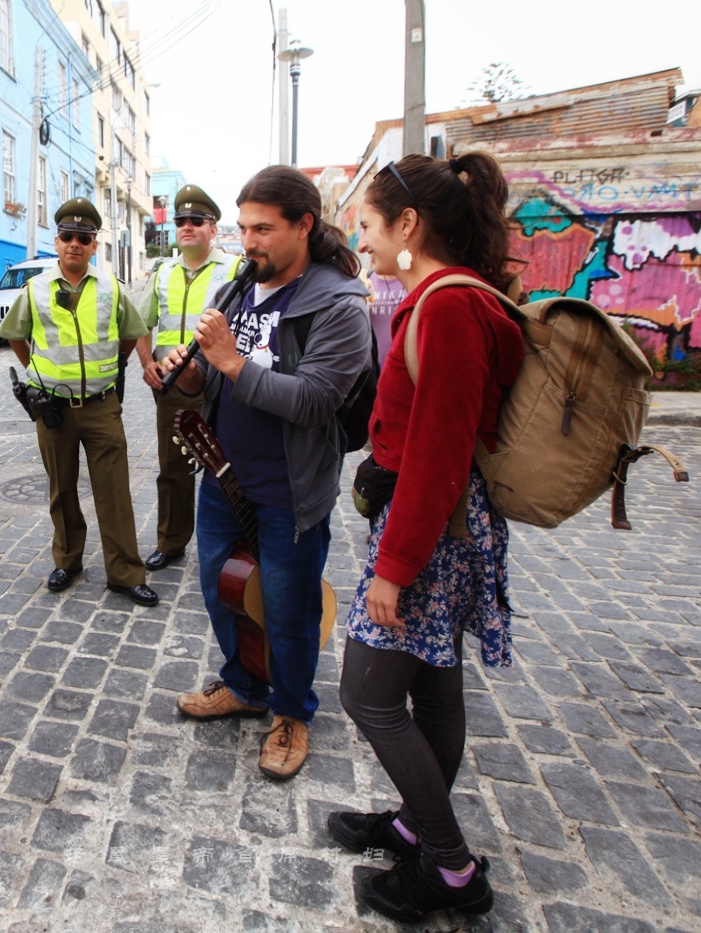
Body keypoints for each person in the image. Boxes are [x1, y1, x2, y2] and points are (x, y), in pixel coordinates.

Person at [330, 151, 525, 922]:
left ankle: (450, 869)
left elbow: (441, 450)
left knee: (367, 693)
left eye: (370, 225)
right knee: (435, 681)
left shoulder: (445, 306)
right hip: (442, 519)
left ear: (409, 224)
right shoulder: (455, 298)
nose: (364, 242)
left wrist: (396, 567)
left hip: (431, 530)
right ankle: (418, 823)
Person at [162, 167, 372, 780]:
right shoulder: (238, 287)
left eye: (264, 228)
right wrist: (195, 371)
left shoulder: (338, 304)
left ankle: (291, 711)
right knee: (221, 590)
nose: (249, 242)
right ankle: (245, 684)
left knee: (288, 607)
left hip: (289, 488)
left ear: (304, 226)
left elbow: (313, 401)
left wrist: (229, 361)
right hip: (225, 476)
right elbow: (213, 379)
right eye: (244, 227)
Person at [0, 198, 158, 607]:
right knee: (61, 489)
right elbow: (16, 335)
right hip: (53, 407)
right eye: (67, 236)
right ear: (57, 241)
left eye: (83, 238)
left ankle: (124, 572)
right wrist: (38, 370)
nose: (74, 244)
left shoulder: (111, 289)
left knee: (114, 491)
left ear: (93, 245)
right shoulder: (34, 289)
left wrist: (116, 364)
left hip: (102, 406)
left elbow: (131, 331)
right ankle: (68, 561)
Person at [135, 185, 242, 572]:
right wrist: (148, 363)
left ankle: (233, 542)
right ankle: (171, 542)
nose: (187, 226)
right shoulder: (163, 271)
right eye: (181, 220)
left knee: (228, 466)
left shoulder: (234, 269)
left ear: (213, 228)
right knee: (173, 469)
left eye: (197, 221)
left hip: (222, 388)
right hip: (173, 388)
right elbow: (139, 323)